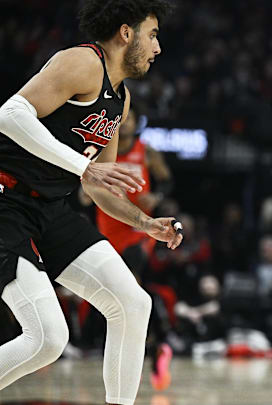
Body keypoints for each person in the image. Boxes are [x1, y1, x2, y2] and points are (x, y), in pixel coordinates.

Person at [0, 1, 182, 405]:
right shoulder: (83, 62)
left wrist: (143, 221)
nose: (158, 48)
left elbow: (101, 185)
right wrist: (81, 169)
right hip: (5, 201)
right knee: (48, 338)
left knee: (133, 304)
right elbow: (10, 114)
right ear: (126, 33)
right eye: (152, 35)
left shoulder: (122, 100)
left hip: (48, 207)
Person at [92, 106, 175, 391]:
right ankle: (156, 345)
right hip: (109, 227)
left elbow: (167, 180)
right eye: (122, 119)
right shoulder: (102, 152)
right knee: (122, 293)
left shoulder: (146, 151)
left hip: (139, 228)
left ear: (138, 123)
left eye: (131, 120)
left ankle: (145, 350)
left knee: (131, 281)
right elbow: (85, 187)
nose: (126, 124)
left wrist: (158, 196)